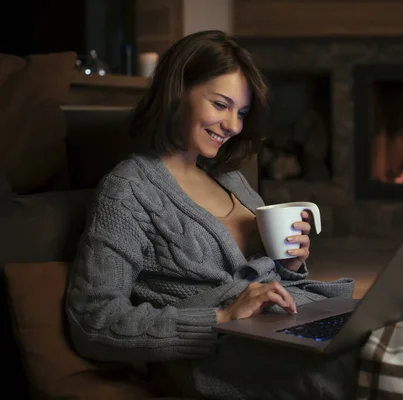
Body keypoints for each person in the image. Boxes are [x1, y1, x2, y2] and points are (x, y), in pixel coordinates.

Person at [65, 30, 358, 399]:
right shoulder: (127, 191)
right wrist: (223, 318)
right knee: (374, 363)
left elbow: (262, 276)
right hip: (219, 353)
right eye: (221, 105)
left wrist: (291, 265)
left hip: (287, 324)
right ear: (177, 92)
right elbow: (93, 320)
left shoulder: (228, 177)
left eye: (242, 113)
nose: (234, 126)